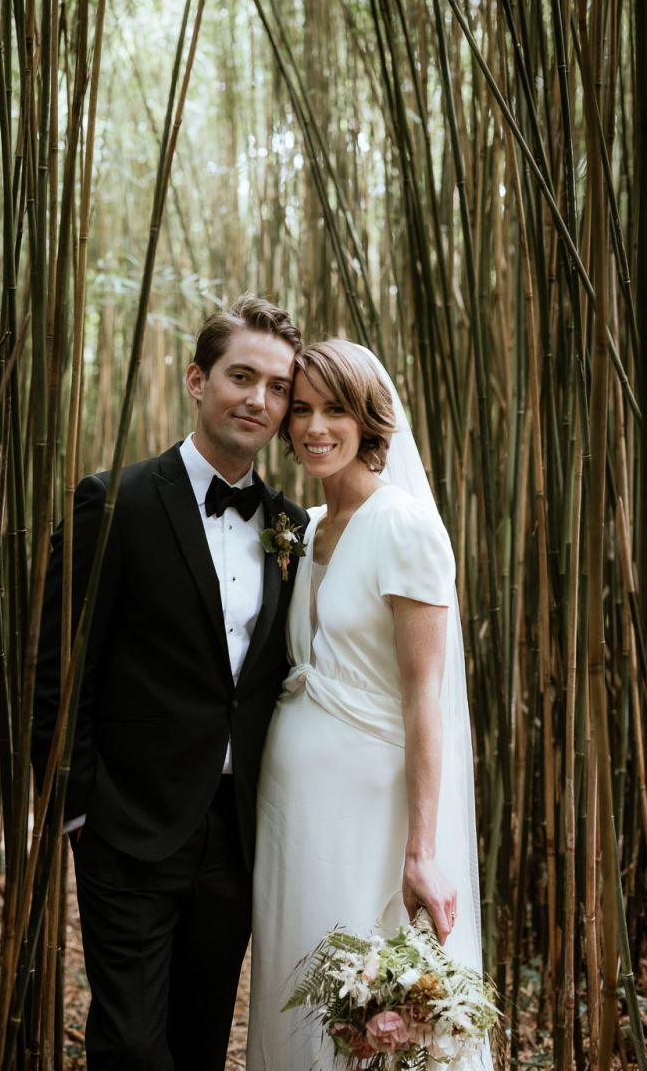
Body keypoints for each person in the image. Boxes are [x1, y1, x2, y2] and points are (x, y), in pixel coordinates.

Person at [32, 295, 308, 1071]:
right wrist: (77, 810)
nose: (259, 399)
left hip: (237, 831)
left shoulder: (291, 525)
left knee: (199, 1040)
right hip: (129, 826)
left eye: (278, 386)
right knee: (128, 1045)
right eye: (241, 376)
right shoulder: (114, 501)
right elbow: (60, 668)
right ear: (197, 379)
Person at [246, 339, 490, 1070]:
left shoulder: (405, 526)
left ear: (370, 421)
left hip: (373, 812)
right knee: (299, 975)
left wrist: (422, 849)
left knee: (370, 1000)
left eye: (336, 411)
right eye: (302, 410)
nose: (315, 427)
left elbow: (425, 699)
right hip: (292, 810)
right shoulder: (304, 528)